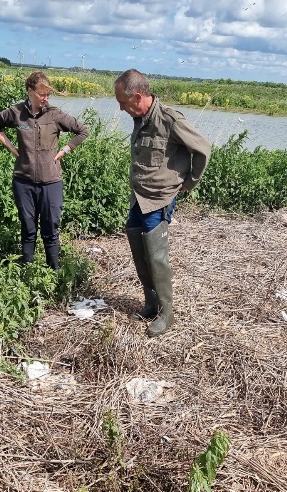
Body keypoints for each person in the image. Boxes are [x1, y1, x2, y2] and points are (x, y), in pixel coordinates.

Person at [114, 69, 211, 337]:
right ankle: (151, 302)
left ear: (136, 96)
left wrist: (188, 182)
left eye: (123, 102)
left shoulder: (169, 119)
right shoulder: (140, 118)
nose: (121, 109)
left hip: (159, 198)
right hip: (140, 196)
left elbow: (202, 148)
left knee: (157, 256)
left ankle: (167, 314)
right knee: (137, 245)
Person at [0, 71, 88, 270]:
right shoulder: (16, 112)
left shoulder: (55, 114)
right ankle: (29, 273)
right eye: (41, 94)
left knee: (50, 228)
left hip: (51, 182)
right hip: (23, 181)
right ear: (30, 91)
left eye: (48, 95)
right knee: (28, 227)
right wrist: (11, 148)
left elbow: (82, 131)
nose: (45, 98)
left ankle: (54, 273)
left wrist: (65, 150)